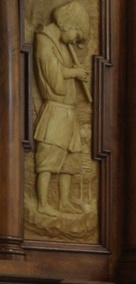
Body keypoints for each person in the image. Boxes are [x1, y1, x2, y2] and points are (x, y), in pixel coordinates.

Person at [33, 1, 90, 216]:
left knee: (70, 157)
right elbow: (53, 76)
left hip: (68, 110)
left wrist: (72, 70)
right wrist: (74, 73)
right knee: (49, 155)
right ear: (67, 24)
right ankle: (42, 204)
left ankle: (63, 202)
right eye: (76, 34)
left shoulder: (60, 42)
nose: (75, 40)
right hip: (56, 110)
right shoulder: (44, 41)